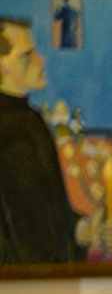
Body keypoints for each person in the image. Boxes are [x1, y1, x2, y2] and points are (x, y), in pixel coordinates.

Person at [0, 15, 82, 264]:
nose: (40, 60)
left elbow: (54, 210)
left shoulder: (33, 120)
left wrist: (82, 231)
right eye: (27, 55)